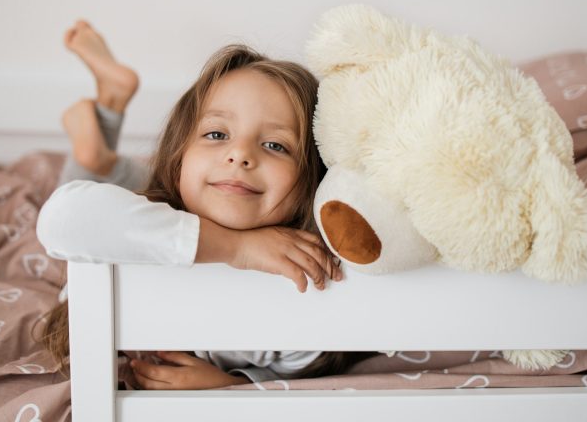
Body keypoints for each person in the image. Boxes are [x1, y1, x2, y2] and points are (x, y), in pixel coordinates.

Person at [36, 20, 376, 389]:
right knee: (104, 191)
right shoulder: (138, 226)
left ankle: (102, 152)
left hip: (191, 197)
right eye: (216, 134)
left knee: (132, 186)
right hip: (155, 206)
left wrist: (230, 385)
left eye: (276, 145)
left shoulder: (305, 280)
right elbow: (64, 218)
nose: (239, 155)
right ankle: (99, 149)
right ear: (179, 154)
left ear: (312, 178)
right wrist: (237, 247)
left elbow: (301, 371)